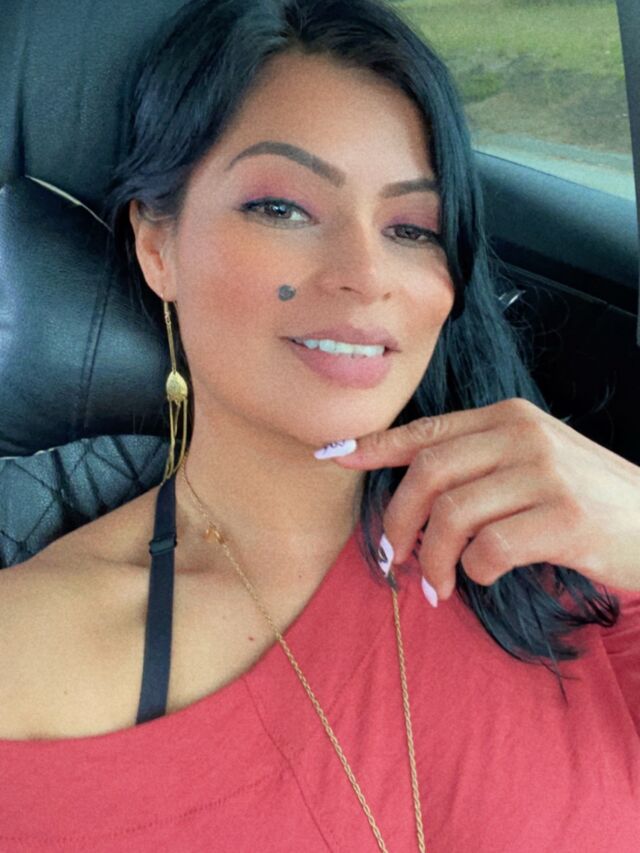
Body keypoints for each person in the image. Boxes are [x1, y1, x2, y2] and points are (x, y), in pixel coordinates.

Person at [1, 0, 639, 850]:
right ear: (158, 245)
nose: (366, 275)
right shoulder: (27, 657)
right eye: (282, 208)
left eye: (412, 228)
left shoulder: (574, 559)